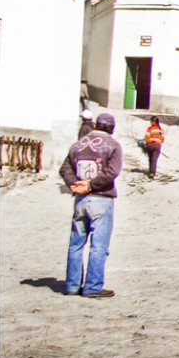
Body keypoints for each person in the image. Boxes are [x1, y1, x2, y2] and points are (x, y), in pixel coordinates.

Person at [58, 112, 124, 298]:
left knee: (76, 243)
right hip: (101, 198)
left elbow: (65, 168)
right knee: (98, 245)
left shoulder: (78, 145)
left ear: (95, 125)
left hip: (80, 200)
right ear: (112, 128)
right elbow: (112, 172)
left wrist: (76, 184)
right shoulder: (113, 146)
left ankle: (72, 285)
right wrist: (91, 185)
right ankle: (93, 286)